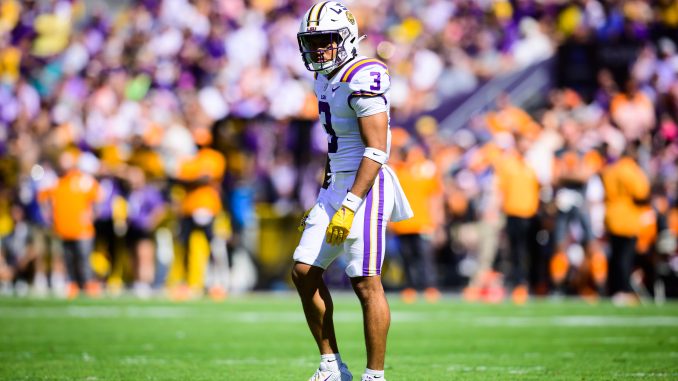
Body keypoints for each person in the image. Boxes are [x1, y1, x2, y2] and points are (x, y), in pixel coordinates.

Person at [292, 3, 413, 381]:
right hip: (337, 184)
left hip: (368, 184)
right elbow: (335, 146)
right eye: (312, 42)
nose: (319, 49)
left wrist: (349, 203)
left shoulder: (365, 73)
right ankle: (331, 366)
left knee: (364, 281)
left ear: (345, 37)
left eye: (326, 40)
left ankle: (374, 376)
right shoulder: (324, 78)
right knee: (303, 271)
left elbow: (376, 150)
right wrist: (326, 193)